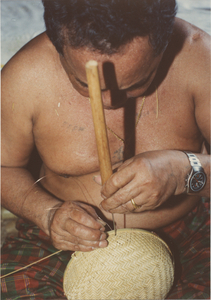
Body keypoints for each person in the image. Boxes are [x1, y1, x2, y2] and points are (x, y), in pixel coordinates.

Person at [1, 0, 210, 299]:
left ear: (164, 46)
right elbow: (3, 167)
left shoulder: (199, 58)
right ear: (58, 45)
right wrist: (47, 214)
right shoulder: (25, 76)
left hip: (187, 231)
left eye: (137, 82)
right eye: (83, 83)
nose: (111, 102)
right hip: (62, 242)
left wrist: (183, 172)